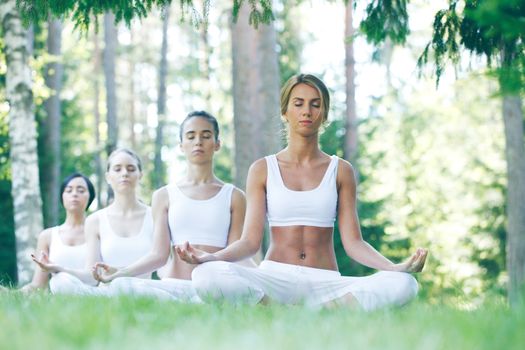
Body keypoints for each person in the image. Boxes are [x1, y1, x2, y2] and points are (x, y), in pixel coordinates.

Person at [177, 74, 428, 311]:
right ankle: (284, 310)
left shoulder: (340, 170)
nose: (306, 111)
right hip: (274, 278)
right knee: (206, 275)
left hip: (326, 281)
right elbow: (249, 243)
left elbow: (354, 243)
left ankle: (314, 311)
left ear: (324, 113)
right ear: (285, 112)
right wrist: (211, 258)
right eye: (298, 104)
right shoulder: (262, 169)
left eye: (315, 104)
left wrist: (394, 267)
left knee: (404, 284)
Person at [92, 111, 249, 301]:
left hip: (213, 285)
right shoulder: (163, 195)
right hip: (174, 286)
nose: (198, 142)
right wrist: (119, 273)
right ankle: (185, 304)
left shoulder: (234, 196)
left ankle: (197, 303)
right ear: (181, 145)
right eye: (191, 136)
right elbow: (158, 255)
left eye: (206, 136)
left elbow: (234, 253)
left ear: (217, 144)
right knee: (122, 285)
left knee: (216, 294)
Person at [33, 148, 154, 295]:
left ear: (140, 175)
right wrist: (58, 268)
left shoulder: (155, 214)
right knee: (59, 281)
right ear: (108, 177)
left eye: (130, 169)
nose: (124, 174)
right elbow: (91, 277)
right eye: (117, 169)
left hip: (145, 290)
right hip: (108, 294)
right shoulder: (95, 220)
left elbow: (164, 265)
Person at [21, 173, 95, 292]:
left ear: (90, 197)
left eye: (81, 190)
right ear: (62, 196)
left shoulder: (97, 232)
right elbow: (38, 285)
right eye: (69, 190)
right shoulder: (47, 236)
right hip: (60, 300)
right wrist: (11, 293)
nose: (74, 194)